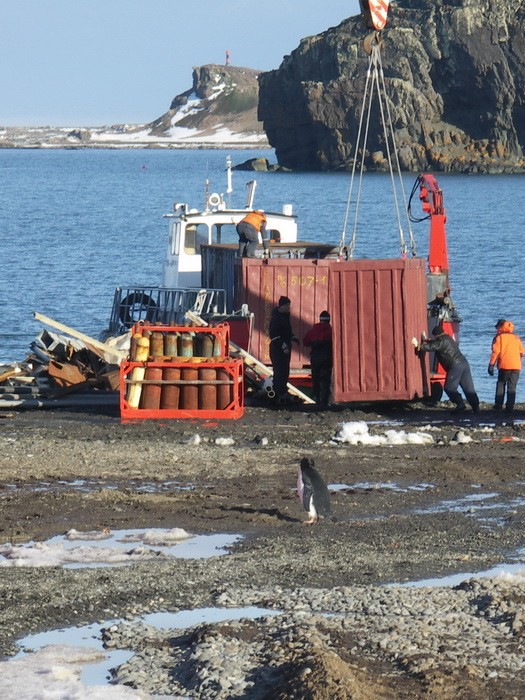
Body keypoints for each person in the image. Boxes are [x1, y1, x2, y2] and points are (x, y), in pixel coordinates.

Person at [413, 324, 479, 413]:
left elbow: (433, 346)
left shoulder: (442, 341)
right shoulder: (447, 338)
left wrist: (418, 345)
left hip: (455, 366)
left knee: (449, 387)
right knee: (468, 388)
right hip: (464, 364)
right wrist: (427, 340)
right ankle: (476, 407)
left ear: (436, 335)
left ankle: (460, 403)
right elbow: (436, 343)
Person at [488, 319, 524, 413]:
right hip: (516, 366)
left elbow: (496, 352)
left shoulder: (499, 337)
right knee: (512, 386)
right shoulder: (516, 337)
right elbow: (521, 352)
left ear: (500, 327)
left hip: (504, 365)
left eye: (497, 327)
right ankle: (510, 407)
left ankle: (498, 405)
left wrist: (491, 365)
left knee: (501, 384)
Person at [268, 296, 299, 404]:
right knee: (279, 371)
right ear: (282, 306)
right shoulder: (276, 318)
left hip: (285, 346)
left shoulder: (285, 317)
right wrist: (282, 344)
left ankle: (283, 392)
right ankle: (278, 394)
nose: (289, 307)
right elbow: (273, 334)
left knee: (285, 371)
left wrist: (292, 337)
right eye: (287, 305)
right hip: (277, 348)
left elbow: (286, 332)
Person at [303, 310, 333, 406]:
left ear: (320, 319)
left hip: (315, 359)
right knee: (325, 380)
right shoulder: (331, 331)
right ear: (329, 320)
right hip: (327, 359)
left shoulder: (312, 331)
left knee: (315, 379)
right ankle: (325, 401)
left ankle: (318, 399)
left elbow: (305, 342)